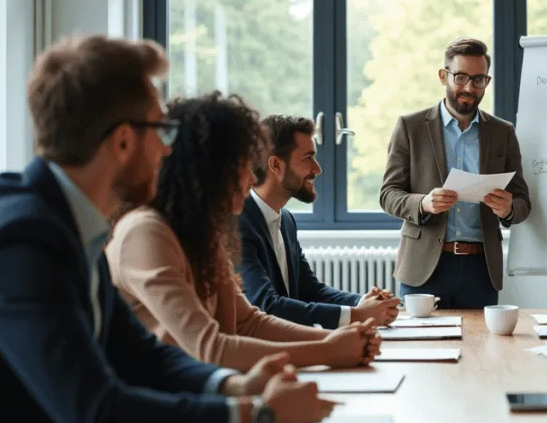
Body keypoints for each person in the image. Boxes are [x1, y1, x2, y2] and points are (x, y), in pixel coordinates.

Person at [0, 36, 332, 423]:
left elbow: (141, 355)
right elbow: (98, 415)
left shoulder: (67, 221)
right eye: (161, 129)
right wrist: (256, 415)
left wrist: (234, 387)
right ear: (123, 142)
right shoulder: (22, 237)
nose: (168, 148)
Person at [107, 92, 381, 372]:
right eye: (243, 166)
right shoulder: (145, 233)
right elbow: (211, 348)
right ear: (209, 171)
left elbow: (249, 322)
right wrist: (327, 350)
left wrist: (338, 340)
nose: (252, 178)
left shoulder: (203, 234)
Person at [380, 38, 531, 308]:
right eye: (460, 77)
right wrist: (424, 203)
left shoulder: (502, 132)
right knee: (421, 347)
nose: (469, 88)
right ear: (443, 76)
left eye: (479, 79)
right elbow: (388, 195)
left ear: (487, 80)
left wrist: (508, 208)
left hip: (480, 270)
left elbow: (522, 202)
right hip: (424, 267)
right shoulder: (410, 127)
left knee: (481, 348)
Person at [239, 114, 400, 328]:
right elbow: (266, 306)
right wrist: (356, 315)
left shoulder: (286, 220)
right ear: (276, 165)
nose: (317, 169)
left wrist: (364, 303)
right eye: (308, 158)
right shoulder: (237, 223)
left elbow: (310, 291)